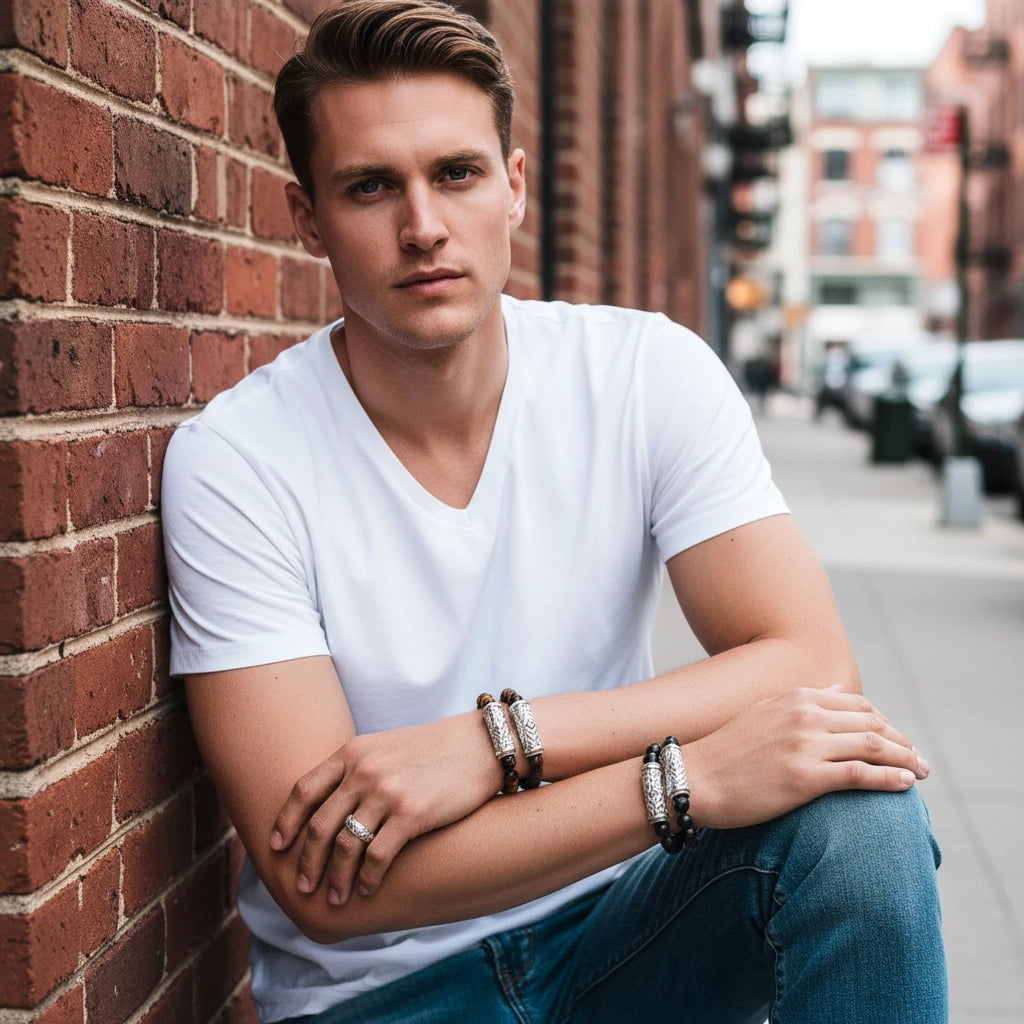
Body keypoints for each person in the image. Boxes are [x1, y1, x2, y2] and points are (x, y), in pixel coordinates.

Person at [161, 3, 947, 1022]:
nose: (423, 226)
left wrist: (499, 740)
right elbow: (326, 887)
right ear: (308, 218)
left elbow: (808, 661)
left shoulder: (639, 372)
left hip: (626, 938)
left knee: (857, 813)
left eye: (455, 173)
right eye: (369, 187)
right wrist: (680, 781)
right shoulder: (237, 461)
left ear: (515, 186)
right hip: (387, 999)